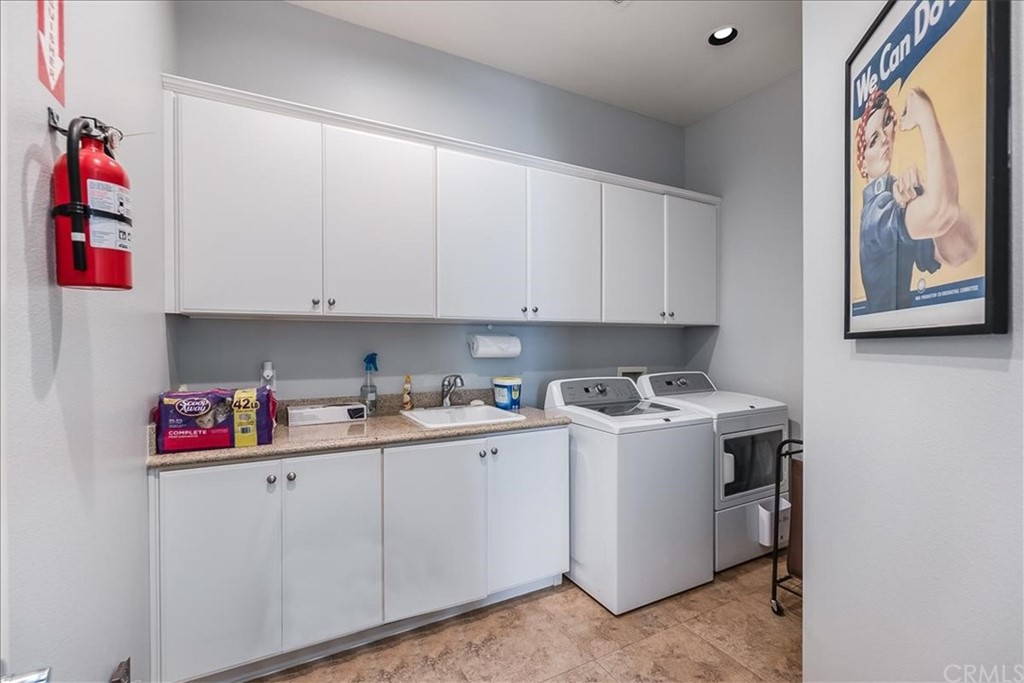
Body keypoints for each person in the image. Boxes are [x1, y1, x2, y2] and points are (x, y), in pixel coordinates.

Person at [854, 86, 977, 313]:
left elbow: (962, 250)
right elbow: (942, 212)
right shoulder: (875, 215)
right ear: (862, 163)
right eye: (872, 141)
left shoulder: (895, 198)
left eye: (887, 123)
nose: (884, 141)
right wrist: (925, 114)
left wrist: (924, 193)